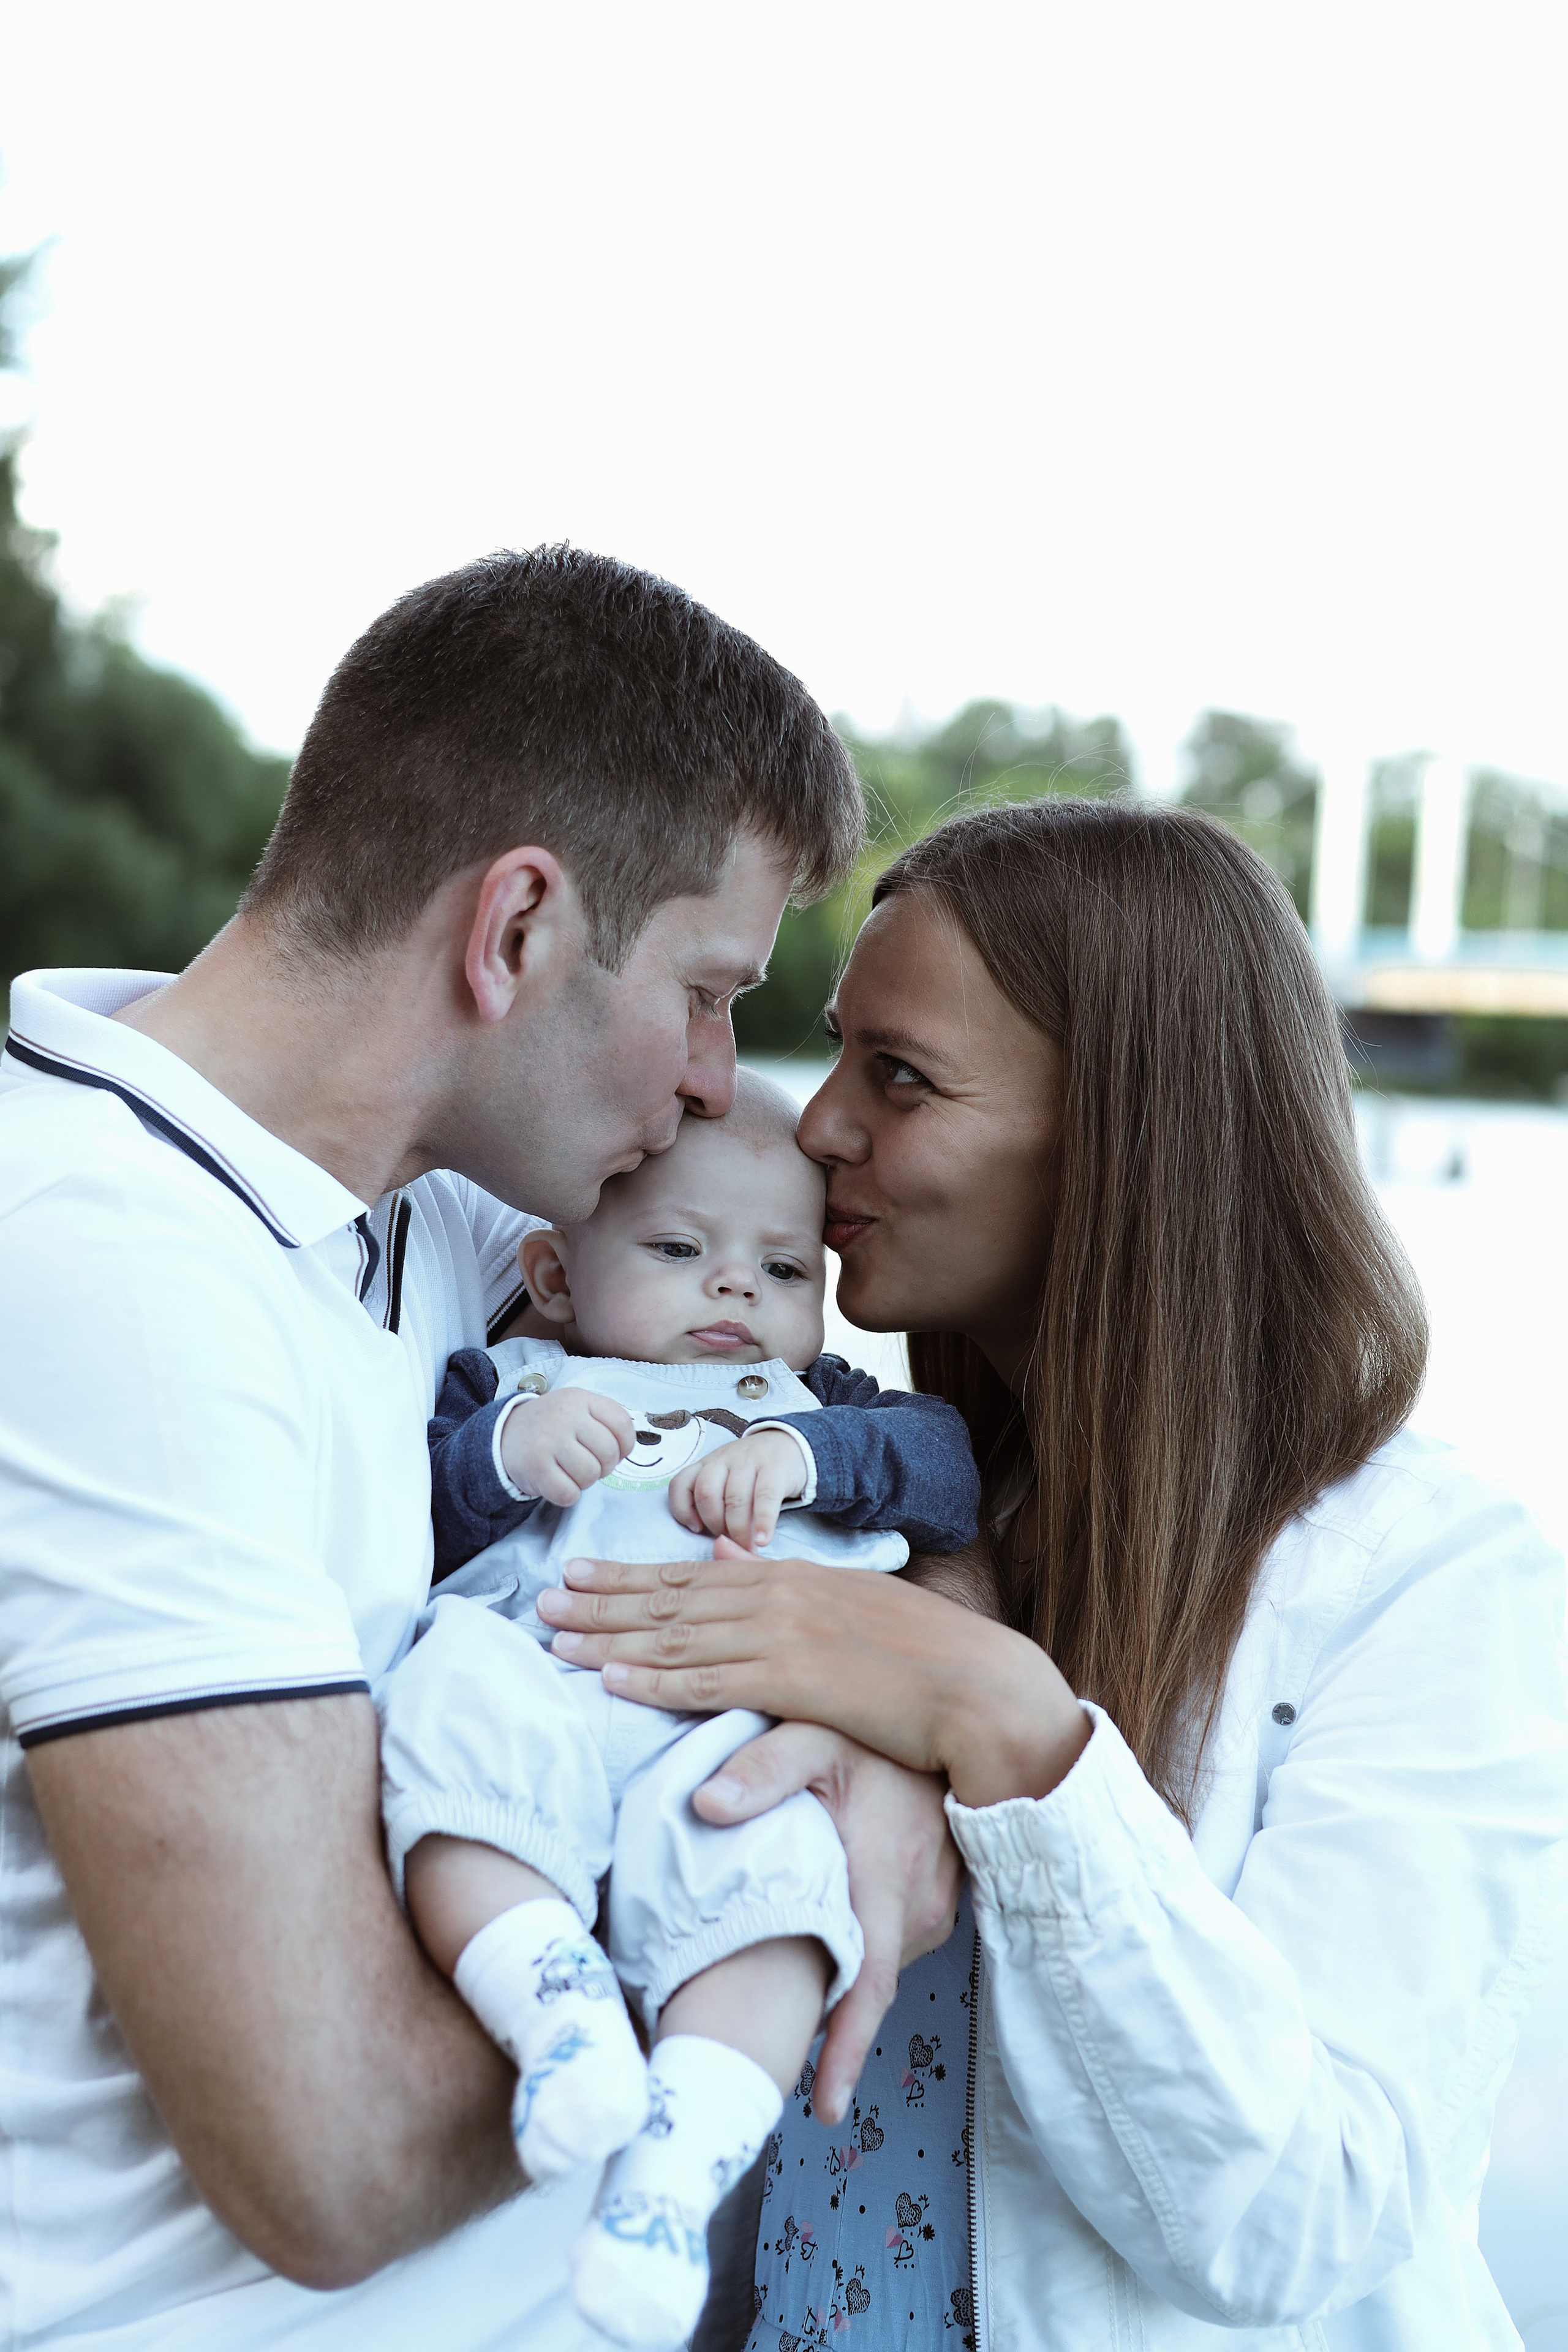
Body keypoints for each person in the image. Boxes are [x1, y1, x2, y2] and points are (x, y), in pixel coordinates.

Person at [0, 546, 959, 2352]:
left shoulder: (435, 1215)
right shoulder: (100, 1274)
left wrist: (892, 1711)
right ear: (516, 928)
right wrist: (788, 1881)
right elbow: (336, 2152)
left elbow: (820, 1441)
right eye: (703, 991)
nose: (709, 1088)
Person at [540, 797, 1568, 2350]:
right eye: (835, 1053)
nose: (813, 1126)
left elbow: (1308, 2217)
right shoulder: (861, 1500)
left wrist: (1011, 1736)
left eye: (897, 1076)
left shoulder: (1426, 1581)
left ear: (1128, 1135)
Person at [377, 1071, 978, 2347]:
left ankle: (680, 2163)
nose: (734, 1292)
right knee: (448, 1695)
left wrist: (812, 1459)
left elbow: (949, 1473)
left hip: (727, 1742)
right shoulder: (518, 1378)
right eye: (675, 1250)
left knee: (770, 1875)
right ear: (551, 1273)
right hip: (540, 1687)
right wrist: (498, 1459)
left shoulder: (823, 1409)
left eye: (780, 1267)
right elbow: (410, 1523)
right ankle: (555, 2012)